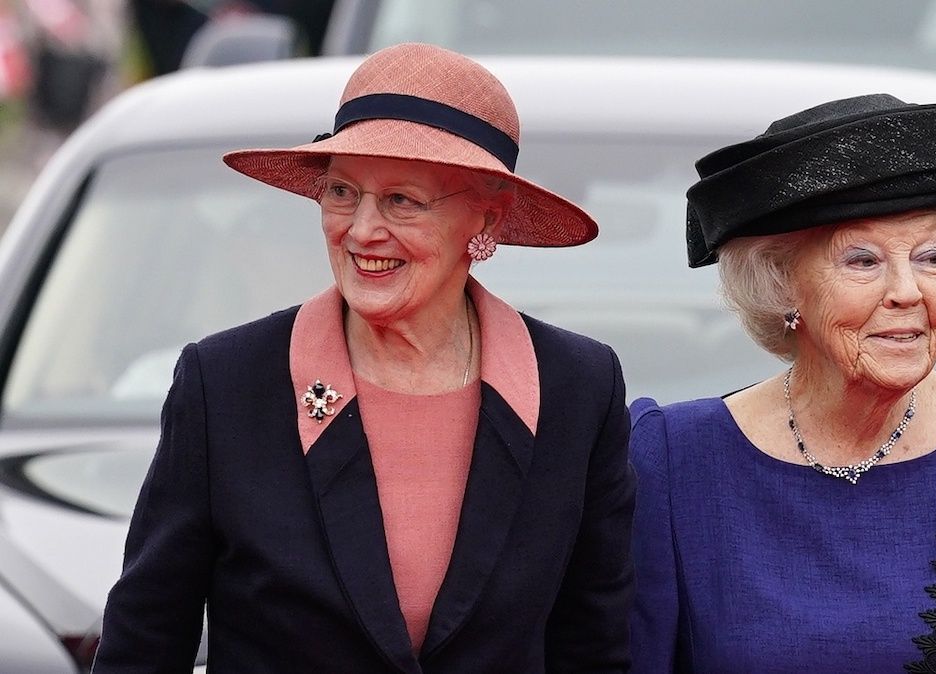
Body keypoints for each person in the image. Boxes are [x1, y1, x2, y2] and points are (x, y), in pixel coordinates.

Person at [93, 43, 635, 673]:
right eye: (343, 191)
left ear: (486, 216)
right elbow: (144, 642)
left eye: (402, 200)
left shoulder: (576, 388)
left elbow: (593, 645)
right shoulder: (227, 383)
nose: (361, 230)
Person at [629, 94, 936, 672]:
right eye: (863, 260)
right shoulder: (673, 454)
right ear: (783, 285)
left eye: (931, 257)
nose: (908, 291)